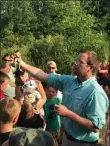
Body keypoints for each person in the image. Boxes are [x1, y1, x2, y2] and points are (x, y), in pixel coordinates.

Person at [15, 50, 109, 146]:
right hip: (66, 138)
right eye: (76, 60)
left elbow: (95, 126)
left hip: (83, 143)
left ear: (90, 67)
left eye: (80, 62)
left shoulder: (95, 92)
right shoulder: (69, 81)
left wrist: (68, 113)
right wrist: (21, 63)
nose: (76, 63)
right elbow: (41, 75)